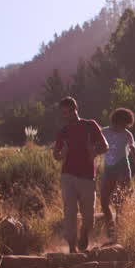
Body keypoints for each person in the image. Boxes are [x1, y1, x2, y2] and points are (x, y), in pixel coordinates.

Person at [52, 97, 108, 253]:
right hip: (68, 175)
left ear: (76, 108)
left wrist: (94, 152)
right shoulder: (63, 131)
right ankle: (71, 247)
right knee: (69, 211)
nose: (68, 115)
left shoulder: (90, 125)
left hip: (87, 176)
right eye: (64, 113)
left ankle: (84, 234)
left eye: (70, 111)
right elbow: (55, 154)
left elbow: (105, 146)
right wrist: (62, 154)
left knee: (88, 216)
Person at [100, 107, 135, 236]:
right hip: (108, 168)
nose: (124, 126)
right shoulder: (104, 132)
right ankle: (110, 225)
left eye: (126, 124)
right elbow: (96, 146)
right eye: (123, 123)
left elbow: (133, 153)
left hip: (122, 168)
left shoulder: (127, 134)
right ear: (117, 121)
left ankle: (119, 230)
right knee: (104, 199)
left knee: (120, 200)